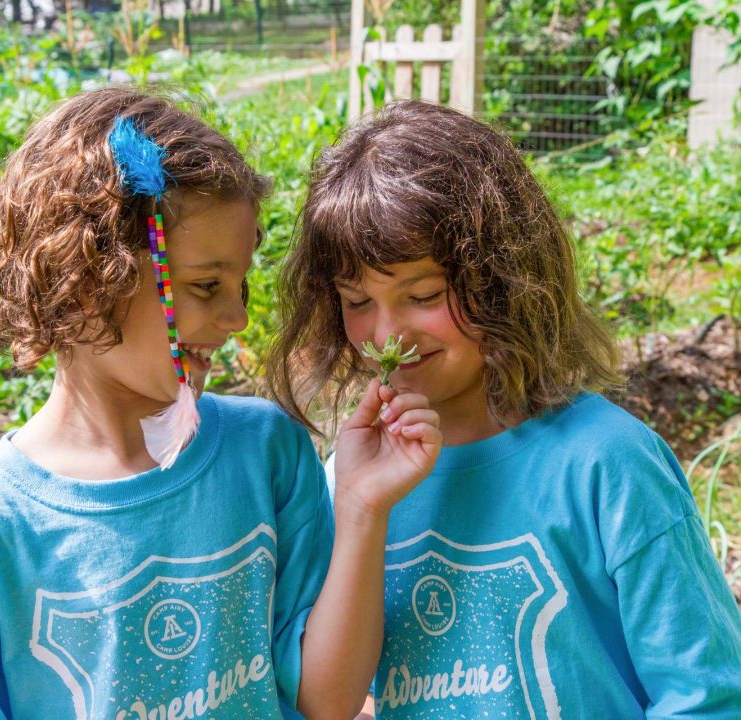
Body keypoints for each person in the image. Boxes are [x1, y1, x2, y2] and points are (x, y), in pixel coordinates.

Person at [0, 88, 443, 720]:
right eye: (205, 285)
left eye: (239, 284)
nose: (237, 318)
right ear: (85, 279)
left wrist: (362, 508)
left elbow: (328, 702)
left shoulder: (268, 456)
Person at [267, 99, 741, 719]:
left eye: (424, 294)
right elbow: (326, 701)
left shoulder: (608, 462)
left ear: (505, 278)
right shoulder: (351, 480)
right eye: (356, 300)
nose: (386, 335)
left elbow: (705, 695)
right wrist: (359, 511)